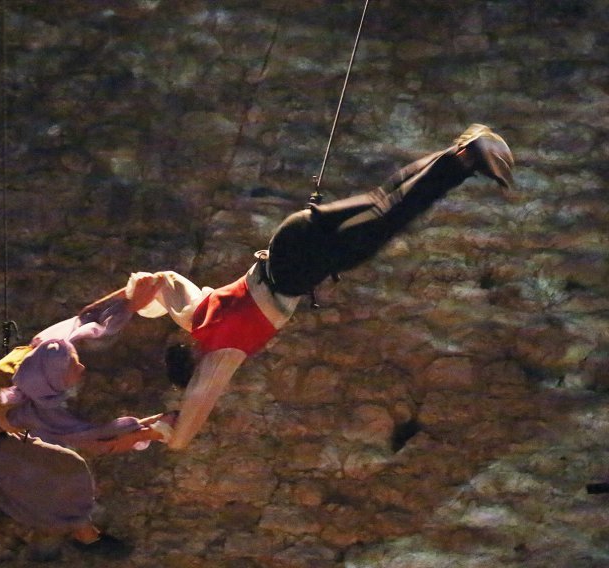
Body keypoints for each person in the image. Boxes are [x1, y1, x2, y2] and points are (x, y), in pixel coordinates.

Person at [126, 124, 514, 450]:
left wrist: (167, 431)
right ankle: (460, 150)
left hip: (302, 267)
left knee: (393, 214)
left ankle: (466, 159)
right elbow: (163, 282)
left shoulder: (220, 354)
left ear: (196, 364)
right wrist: (132, 303)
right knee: (383, 200)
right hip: (291, 235)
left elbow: (194, 410)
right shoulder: (195, 314)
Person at [0, 283, 172, 555]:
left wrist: (129, 301)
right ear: (51, 380)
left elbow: (86, 318)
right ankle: (84, 534)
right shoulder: (31, 411)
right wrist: (152, 431)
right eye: (73, 368)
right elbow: (96, 440)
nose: (81, 366)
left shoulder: (43, 350)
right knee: (66, 469)